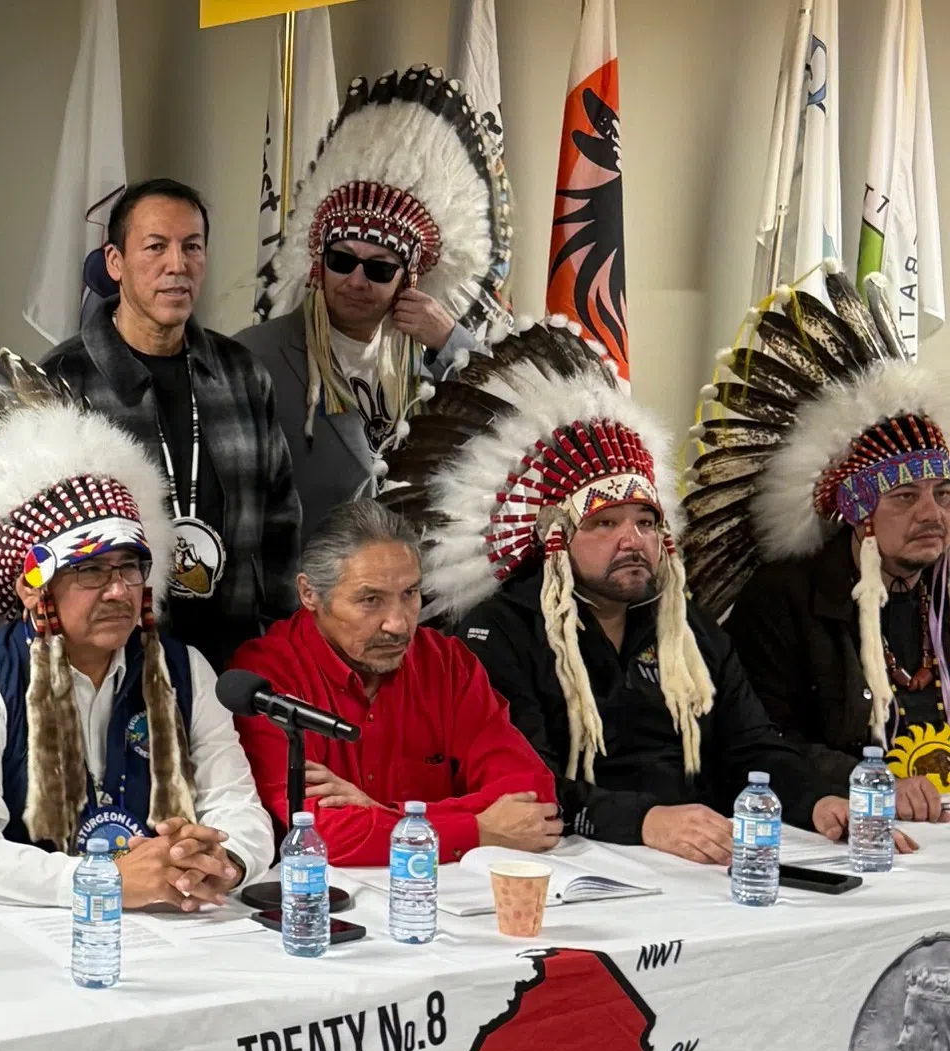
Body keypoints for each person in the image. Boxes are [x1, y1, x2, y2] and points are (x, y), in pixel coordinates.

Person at [382, 322, 870, 865]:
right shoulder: (502, 631)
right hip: (564, 862)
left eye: (644, 521)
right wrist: (645, 821)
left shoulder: (687, 628)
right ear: (557, 540)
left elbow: (750, 747)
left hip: (697, 853)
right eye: (605, 524)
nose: (632, 540)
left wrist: (815, 800)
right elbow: (524, 784)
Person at [0, 349, 277, 910]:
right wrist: (104, 884)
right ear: (32, 589)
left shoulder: (185, 670)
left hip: (176, 924)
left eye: (130, 567)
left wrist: (221, 861)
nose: (117, 590)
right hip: (39, 947)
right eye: (88, 571)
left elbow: (238, 805)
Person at [687, 270, 949, 821]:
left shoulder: (944, 590)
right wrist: (871, 784)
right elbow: (763, 741)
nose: (932, 513)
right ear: (859, 513)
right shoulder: (785, 601)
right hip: (845, 826)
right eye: (905, 496)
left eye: (943, 493)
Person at [237, 65, 511, 543]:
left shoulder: (432, 357)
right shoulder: (256, 357)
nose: (357, 280)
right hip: (309, 592)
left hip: (412, 586)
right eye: (342, 260)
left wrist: (451, 341)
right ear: (318, 263)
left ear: (410, 278)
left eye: (380, 268)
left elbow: (506, 430)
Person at [41, 178, 300, 669]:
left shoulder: (242, 374)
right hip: (114, 669)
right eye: (156, 247)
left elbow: (280, 524)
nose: (177, 265)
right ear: (115, 262)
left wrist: (278, 643)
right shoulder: (62, 381)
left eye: (192, 247)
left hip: (237, 664)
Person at [230, 499, 558, 864]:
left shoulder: (446, 662)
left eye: (410, 594)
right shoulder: (269, 673)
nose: (398, 624)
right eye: (371, 600)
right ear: (310, 594)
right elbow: (320, 836)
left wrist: (384, 813)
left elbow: (534, 797)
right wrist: (478, 829)